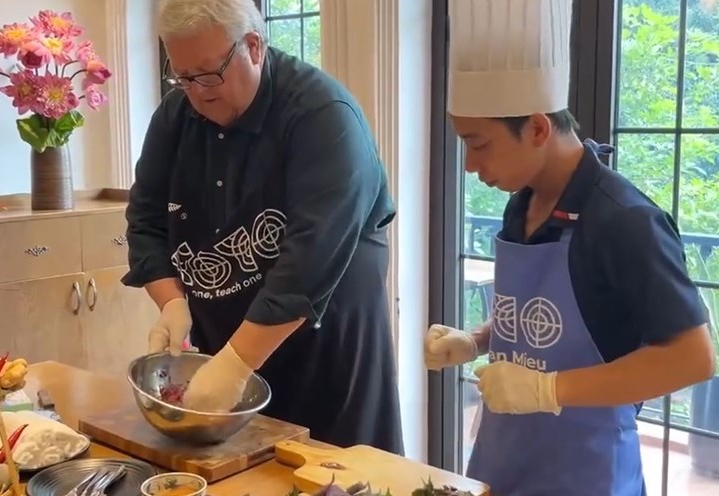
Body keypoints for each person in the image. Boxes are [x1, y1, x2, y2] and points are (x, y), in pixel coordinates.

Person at [424, 0, 717, 494]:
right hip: (504, 460)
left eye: (479, 143)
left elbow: (693, 358)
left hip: (586, 473)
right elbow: (543, 317)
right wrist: (476, 340)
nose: (470, 165)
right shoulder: (521, 205)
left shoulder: (625, 221)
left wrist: (547, 389)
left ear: (538, 128)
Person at [121, 0, 404, 455]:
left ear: (252, 46)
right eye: (183, 77)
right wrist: (171, 302)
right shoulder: (175, 117)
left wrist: (235, 365)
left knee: (335, 473)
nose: (197, 92)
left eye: (208, 74)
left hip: (324, 355)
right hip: (224, 343)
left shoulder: (322, 117)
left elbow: (307, 265)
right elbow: (145, 221)